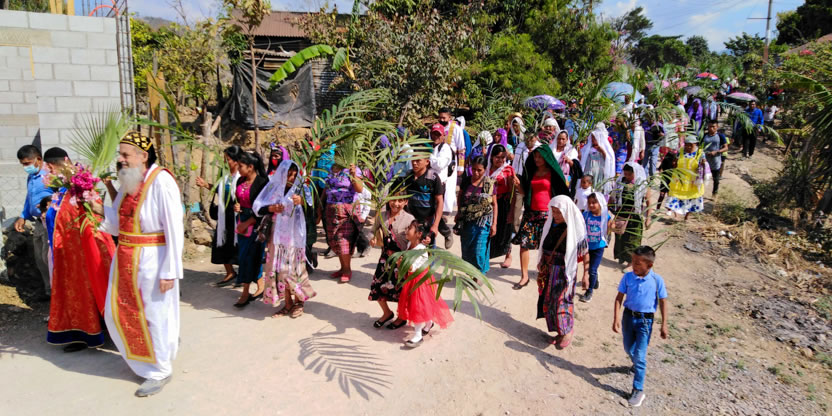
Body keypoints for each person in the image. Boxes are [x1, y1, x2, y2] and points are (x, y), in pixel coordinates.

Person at [93, 131, 184, 397]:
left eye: (125, 155)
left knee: (153, 314)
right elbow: (118, 221)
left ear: (144, 156)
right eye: (119, 155)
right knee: (119, 312)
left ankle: (159, 371)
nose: (120, 159)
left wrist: (170, 271)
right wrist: (93, 207)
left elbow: (174, 228)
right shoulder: (130, 180)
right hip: (126, 257)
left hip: (153, 259)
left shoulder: (161, 181)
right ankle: (147, 360)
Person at [44, 147, 115, 352]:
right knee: (74, 294)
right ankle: (80, 333)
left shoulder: (80, 186)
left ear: (51, 166)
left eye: (48, 169)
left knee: (92, 290)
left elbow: (94, 217)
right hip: (66, 253)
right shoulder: (63, 189)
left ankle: (98, 332)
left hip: (83, 251)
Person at [254, 160, 315, 318]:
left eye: (294, 175)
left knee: (294, 271)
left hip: (295, 238)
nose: (292, 178)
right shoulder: (273, 188)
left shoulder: (301, 189)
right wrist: (271, 208)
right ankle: (287, 304)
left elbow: (312, 212)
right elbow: (257, 206)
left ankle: (299, 302)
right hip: (277, 238)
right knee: (281, 272)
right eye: (289, 175)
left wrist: (302, 203)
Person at [612, 246, 669, 408]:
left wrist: (664, 324)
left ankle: (638, 389)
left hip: (645, 321)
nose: (633, 265)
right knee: (628, 348)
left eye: (637, 263)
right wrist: (616, 318)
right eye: (633, 261)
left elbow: (663, 302)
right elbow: (619, 298)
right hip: (628, 317)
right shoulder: (628, 277)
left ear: (649, 265)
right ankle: (635, 363)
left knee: (640, 354)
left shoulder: (657, 280)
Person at [512, 146, 570, 290]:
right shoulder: (531, 172)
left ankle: (547, 274)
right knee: (524, 244)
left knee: (548, 247)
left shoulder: (553, 173)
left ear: (546, 157)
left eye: (540, 156)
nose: (537, 159)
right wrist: (518, 186)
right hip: (530, 213)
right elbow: (525, 192)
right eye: (535, 156)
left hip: (548, 215)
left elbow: (561, 193)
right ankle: (524, 276)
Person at [536, 195, 588, 349]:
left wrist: (586, 274)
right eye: (553, 211)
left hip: (563, 272)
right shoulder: (550, 226)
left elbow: (584, 253)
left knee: (562, 301)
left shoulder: (573, 229)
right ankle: (560, 331)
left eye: (559, 212)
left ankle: (567, 331)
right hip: (549, 269)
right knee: (550, 301)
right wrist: (541, 262)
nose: (556, 215)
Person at [396, 220, 454, 348]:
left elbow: (413, 268)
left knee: (417, 306)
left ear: (418, 234)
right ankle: (428, 323)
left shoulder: (421, 250)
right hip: (412, 281)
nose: (407, 230)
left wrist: (401, 263)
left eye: (410, 228)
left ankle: (418, 335)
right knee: (421, 305)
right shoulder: (410, 244)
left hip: (420, 282)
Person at [196, 145, 242, 287]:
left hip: (238, 217)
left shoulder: (242, 177)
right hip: (224, 216)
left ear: (236, 160)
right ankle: (230, 272)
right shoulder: (225, 176)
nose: (225, 162)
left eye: (228, 159)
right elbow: (220, 189)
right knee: (222, 243)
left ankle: (244, 276)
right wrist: (206, 185)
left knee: (239, 246)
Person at [368, 195, 414, 330]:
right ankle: (387, 313)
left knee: (401, 291)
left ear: (406, 202)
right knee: (377, 287)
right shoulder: (382, 216)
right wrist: (372, 238)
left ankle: (402, 317)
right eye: (393, 200)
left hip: (401, 261)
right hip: (385, 259)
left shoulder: (410, 219)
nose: (396, 203)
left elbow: (414, 240)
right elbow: (372, 231)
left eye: (400, 200)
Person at [15, 144, 54, 299]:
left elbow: (59, 196)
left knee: (47, 258)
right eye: (23, 164)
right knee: (40, 259)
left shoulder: (50, 175)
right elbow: (29, 198)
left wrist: (48, 206)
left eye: (27, 163)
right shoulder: (31, 177)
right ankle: (48, 291)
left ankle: (56, 292)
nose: (25, 167)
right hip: (38, 223)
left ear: (38, 159)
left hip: (48, 222)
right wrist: (23, 216)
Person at [231, 152, 268, 307]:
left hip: (255, 225)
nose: (238, 169)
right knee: (246, 255)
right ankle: (261, 285)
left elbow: (264, 209)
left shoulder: (262, 183)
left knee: (249, 257)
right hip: (242, 223)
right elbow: (239, 199)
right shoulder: (241, 180)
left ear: (251, 167)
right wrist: (237, 207)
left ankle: (245, 292)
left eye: (241, 166)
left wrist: (248, 223)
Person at [324, 159, 364, 282]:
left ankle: (347, 270)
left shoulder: (353, 169)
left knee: (344, 240)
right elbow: (326, 189)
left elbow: (359, 189)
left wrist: (353, 175)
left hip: (347, 210)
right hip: (331, 209)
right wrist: (320, 207)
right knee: (335, 240)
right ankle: (342, 268)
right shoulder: (331, 168)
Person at [456, 156, 497, 274]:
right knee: (467, 249)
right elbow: (460, 196)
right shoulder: (466, 181)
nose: (476, 173)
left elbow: (494, 204)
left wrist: (494, 224)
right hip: (467, 222)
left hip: (482, 223)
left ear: (485, 169)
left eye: (479, 170)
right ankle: (470, 273)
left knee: (479, 250)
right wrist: (459, 212)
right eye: (473, 169)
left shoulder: (489, 184)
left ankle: (478, 275)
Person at [403, 148, 446, 247]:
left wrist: (435, 225)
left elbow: (440, 201)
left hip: (427, 222)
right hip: (411, 222)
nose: (414, 163)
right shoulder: (408, 176)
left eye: (418, 160)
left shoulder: (433, 178)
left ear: (427, 162)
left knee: (427, 248)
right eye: (413, 160)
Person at [612, 162, 650, 269]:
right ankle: (622, 257)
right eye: (625, 174)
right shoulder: (621, 182)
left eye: (630, 174)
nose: (627, 177)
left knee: (632, 241)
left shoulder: (642, 185)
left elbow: (649, 202)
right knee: (620, 238)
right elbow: (613, 197)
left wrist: (648, 218)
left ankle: (631, 263)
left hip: (634, 217)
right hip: (622, 215)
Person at [485, 144, 516, 268]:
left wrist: (512, 211)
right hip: (488, 203)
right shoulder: (486, 169)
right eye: (497, 157)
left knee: (505, 230)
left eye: (503, 157)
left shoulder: (508, 170)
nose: (500, 160)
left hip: (503, 204)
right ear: (492, 157)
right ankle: (487, 254)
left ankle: (508, 254)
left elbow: (513, 193)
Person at [580, 192, 613, 303]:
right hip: (587, 247)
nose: (591, 205)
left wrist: (611, 227)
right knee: (589, 268)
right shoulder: (586, 215)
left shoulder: (606, 216)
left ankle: (589, 292)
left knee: (592, 270)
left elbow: (608, 231)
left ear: (600, 203)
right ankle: (594, 280)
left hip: (598, 247)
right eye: (589, 203)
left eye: (594, 202)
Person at [428, 123, 455, 249]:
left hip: (438, 184)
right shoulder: (429, 146)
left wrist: (428, 157)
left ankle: (446, 232)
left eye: (438, 134)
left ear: (443, 135)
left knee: (435, 212)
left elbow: (440, 164)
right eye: (434, 134)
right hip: (427, 183)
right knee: (428, 212)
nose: (436, 136)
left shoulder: (445, 148)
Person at [666, 137, 706, 220]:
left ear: (695, 144)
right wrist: (674, 164)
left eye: (691, 145)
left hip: (692, 181)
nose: (688, 147)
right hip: (679, 179)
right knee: (675, 195)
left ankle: (687, 216)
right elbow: (675, 163)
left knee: (692, 197)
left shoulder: (700, 153)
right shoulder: (680, 151)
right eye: (686, 145)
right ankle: (675, 215)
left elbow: (704, 165)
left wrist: (703, 164)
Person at [438, 108, 466, 223]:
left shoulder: (456, 128)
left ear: (449, 117)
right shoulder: (436, 127)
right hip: (439, 160)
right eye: (440, 117)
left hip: (451, 161)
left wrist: (461, 167)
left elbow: (461, 148)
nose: (442, 120)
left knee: (449, 186)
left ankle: (445, 212)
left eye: (444, 118)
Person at [580, 123, 616, 196]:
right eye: (592, 138)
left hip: (599, 173)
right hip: (589, 172)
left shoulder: (606, 149)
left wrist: (602, 151)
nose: (593, 140)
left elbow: (609, 161)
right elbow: (582, 158)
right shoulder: (588, 148)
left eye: (595, 138)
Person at [701, 121, 729, 197]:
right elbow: (699, 146)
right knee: (702, 177)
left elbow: (726, 148)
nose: (711, 128)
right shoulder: (704, 135)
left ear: (717, 127)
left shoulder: (720, 136)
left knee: (716, 179)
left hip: (715, 161)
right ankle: (700, 193)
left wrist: (717, 152)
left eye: (713, 126)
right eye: (710, 126)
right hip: (705, 160)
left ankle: (714, 193)